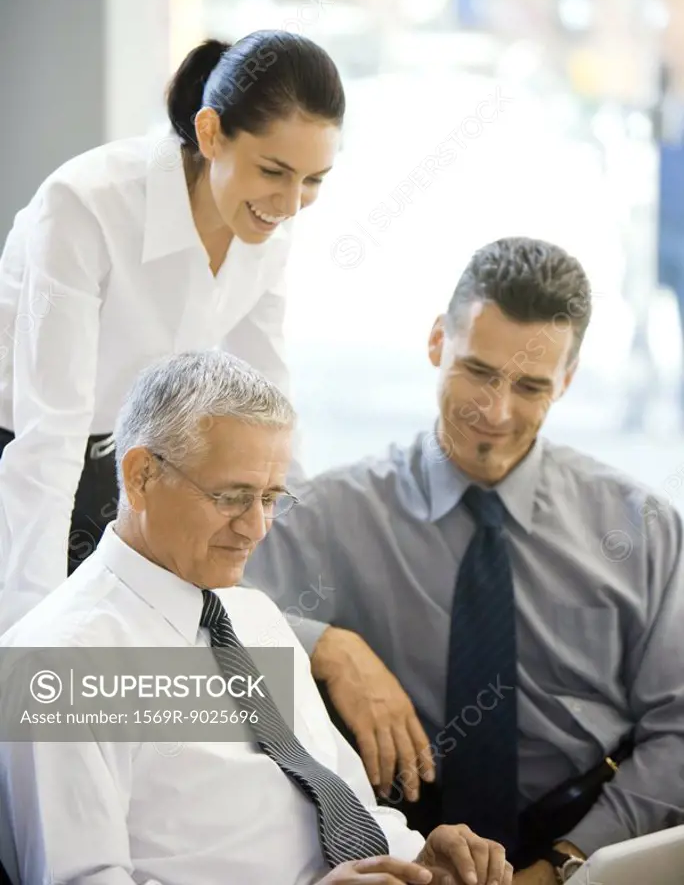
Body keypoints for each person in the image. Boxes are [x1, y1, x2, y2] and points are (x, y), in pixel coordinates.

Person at [244, 237, 684, 883]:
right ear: (435, 344)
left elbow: (678, 725)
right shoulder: (331, 514)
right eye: (478, 371)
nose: (495, 412)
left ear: (565, 381)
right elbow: (202, 621)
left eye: (530, 385)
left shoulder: (641, 530)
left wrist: (562, 866)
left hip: (586, 849)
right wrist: (322, 644)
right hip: (406, 853)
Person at [0, 350, 512, 885]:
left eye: (271, 498)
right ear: (141, 475)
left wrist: (419, 859)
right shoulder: (57, 663)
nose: (258, 528)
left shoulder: (253, 614)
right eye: (232, 497)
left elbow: (345, 804)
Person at [0, 30, 343, 634]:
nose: (290, 203)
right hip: (25, 450)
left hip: (123, 454)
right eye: (274, 171)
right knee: (55, 656)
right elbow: (47, 437)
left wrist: (321, 562)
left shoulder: (266, 224)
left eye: (313, 180)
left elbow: (270, 395)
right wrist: (32, 641)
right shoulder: (86, 205)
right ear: (210, 134)